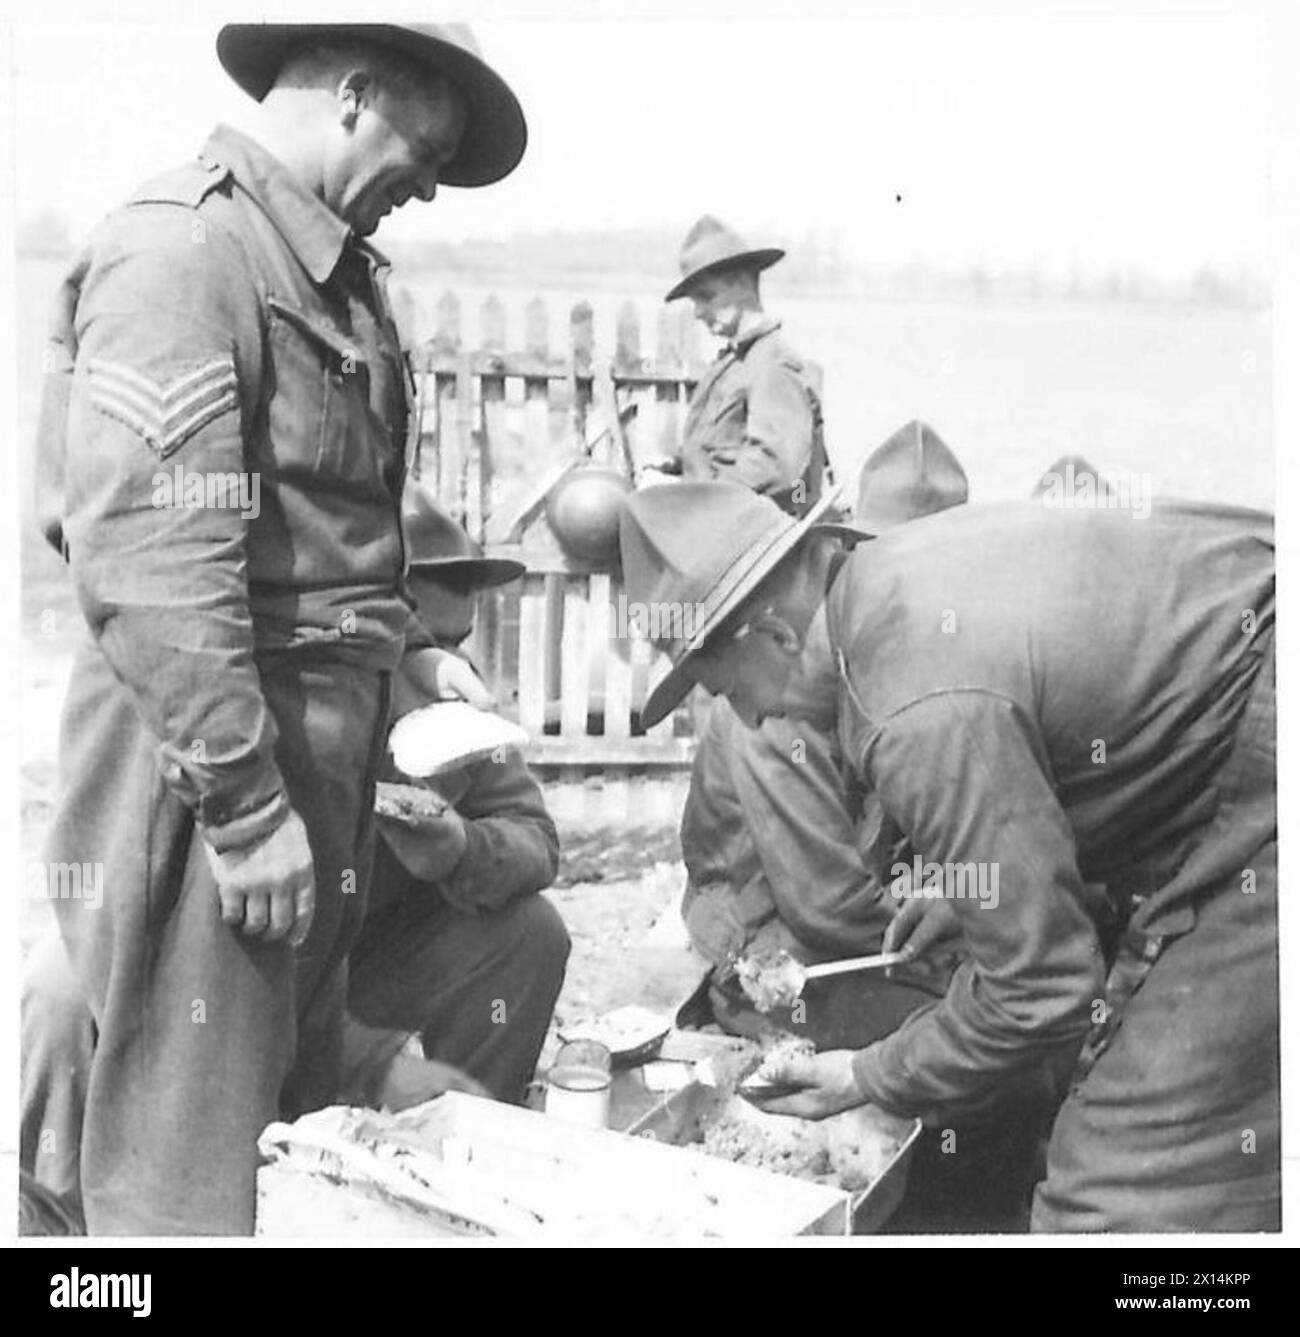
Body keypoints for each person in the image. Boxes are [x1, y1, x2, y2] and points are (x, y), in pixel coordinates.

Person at [25, 21, 526, 1235]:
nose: (427, 189)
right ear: (353, 93)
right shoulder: (185, 253)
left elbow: (322, 539)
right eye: (426, 153)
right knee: (184, 1174)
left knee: (273, 1139)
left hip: (308, 782)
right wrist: (248, 815)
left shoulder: (326, 274)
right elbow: (153, 565)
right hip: (210, 787)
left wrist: (408, 653)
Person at [619, 480, 1277, 1232]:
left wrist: (865, 1073)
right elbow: (1092, 727)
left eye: (730, 691)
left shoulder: (906, 701)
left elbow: (1042, 990)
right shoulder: (893, 587)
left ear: (775, 635)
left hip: (1265, 754)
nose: (751, 717)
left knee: (1112, 1197)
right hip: (1243, 716)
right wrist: (970, 887)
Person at [681, 421, 969, 1046]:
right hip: (780, 957)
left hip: (862, 931)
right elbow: (828, 907)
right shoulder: (784, 690)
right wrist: (966, 949)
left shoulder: (879, 657)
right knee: (979, 1035)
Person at [339, 487, 570, 1108]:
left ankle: (470, 1129)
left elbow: (536, 838)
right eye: (417, 646)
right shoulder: (309, 695)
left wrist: (463, 851)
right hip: (268, 972)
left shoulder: (455, 703)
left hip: (375, 956)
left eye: (454, 643)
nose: (445, 670)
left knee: (530, 933)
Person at [655, 214, 830, 515]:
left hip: (756, 528)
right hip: (721, 516)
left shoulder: (773, 364)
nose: (697, 312)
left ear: (742, 284)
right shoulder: (734, 362)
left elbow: (775, 466)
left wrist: (689, 494)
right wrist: (676, 467)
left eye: (706, 297)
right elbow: (720, 447)